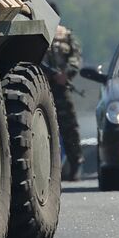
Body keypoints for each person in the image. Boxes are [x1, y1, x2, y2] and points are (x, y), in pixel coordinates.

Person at [45, 23, 84, 181]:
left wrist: (66, 74)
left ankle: (75, 165)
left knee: (69, 128)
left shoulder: (64, 35)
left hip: (60, 88)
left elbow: (75, 58)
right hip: (39, 87)